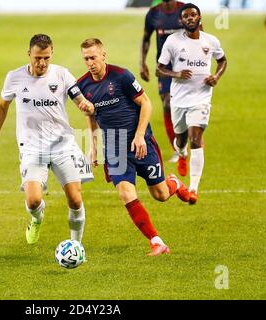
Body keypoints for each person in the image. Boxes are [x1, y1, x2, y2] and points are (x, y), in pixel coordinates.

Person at [77, 38, 190, 257]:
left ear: (103, 55)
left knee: (161, 194)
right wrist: (94, 147)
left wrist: (139, 136)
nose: (90, 63)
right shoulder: (83, 86)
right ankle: (156, 241)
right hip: (114, 147)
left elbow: (146, 103)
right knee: (126, 193)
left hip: (141, 143)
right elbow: (90, 116)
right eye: (86, 59)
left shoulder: (122, 76)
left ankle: (174, 183)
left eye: (93, 57)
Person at [0, 34, 94, 246]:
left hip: (62, 145)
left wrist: (85, 105)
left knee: (75, 199)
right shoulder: (14, 77)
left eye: (46, 57)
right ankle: (36, 219)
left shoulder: (62, 75)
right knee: (33, 200)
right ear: (29, 55)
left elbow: (78, 97)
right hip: (32, 148)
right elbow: (1, 107)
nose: (42, 63)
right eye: (37, 58)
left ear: (51, 54)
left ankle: (76, 245)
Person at [156, 3, 227, 204]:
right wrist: (176, 73)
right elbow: (159, 69)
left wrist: (217, 76)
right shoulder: (173, 41)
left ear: (199, 17)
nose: (189, 18)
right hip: (179, 99)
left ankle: (193, 189)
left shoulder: (211, 41)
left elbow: (223, 61)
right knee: (181, 139)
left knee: (196, 137)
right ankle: (182, 154)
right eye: (185, 16)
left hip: (202, 98)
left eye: (193, 15)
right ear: (181, 21)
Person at [141, 0, 187, 167]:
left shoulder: (186, 9)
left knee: (188, 105)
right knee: (168, 105)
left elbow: (199, 34)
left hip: (187, 65)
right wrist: (143, 63)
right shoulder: (153, 13)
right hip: (165, 67)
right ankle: (177, 148)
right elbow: (146, 39)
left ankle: (195, 138)